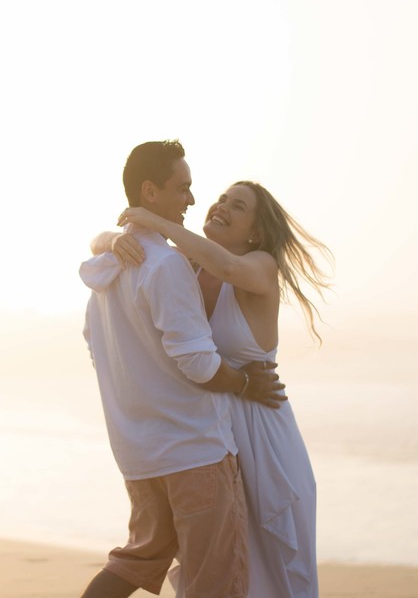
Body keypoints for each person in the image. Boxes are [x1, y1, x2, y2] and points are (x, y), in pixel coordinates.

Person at [97, 179, 331, 598]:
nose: (220, 206)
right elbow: (99, 246)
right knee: (225, 560)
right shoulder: (188, 265)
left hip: (260, 426)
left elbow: (229, 269)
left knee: (272, 565)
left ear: (255, 231)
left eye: (237, 206)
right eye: (222, 198)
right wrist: (115, 238)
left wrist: (153, 221)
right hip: (210, 430)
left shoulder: (259, 265)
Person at [78, 140, 286, 598]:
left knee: (135, 563)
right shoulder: (167, 265)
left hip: (139, 454)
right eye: (182, 188)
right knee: (216, 584)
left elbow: (98, 350)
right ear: (150, 192)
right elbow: (198, 364)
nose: (192, 199)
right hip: (194, 453)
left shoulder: (107, 266)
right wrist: (247, 382)